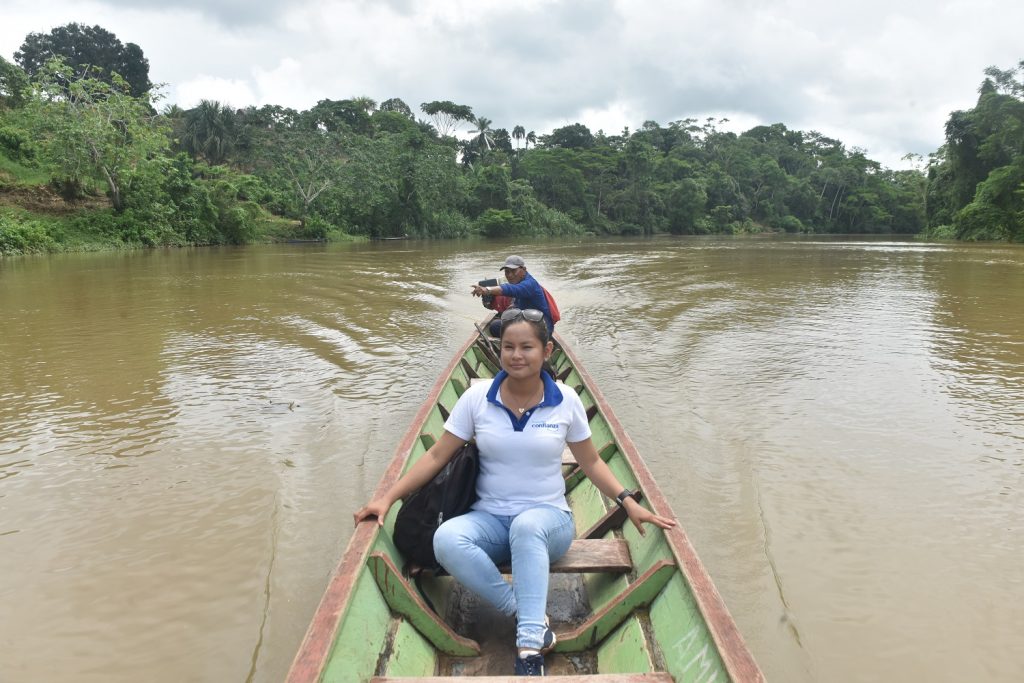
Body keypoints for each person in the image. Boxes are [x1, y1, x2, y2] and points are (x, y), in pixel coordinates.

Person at [354, 308, 675, 676]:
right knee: (447, 539)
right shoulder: (477, 399)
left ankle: (528, 651)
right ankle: (529, 616)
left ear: (547, 351)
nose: (516, 355)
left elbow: (592, 463)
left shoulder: (567, 400)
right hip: (489, 518)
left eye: (526, 347)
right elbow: (437, 454)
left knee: (527, 526)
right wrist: (386, 498)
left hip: (548, 522)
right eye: (508, 347)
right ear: (500, 350)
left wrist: (627, 501)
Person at [472, 255, 554, 337]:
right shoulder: (519, 282)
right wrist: (513, 306)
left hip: (541, 329)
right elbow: (517, 297)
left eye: (513, 271)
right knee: (496, 325)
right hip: (528, 323)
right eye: (507, 272)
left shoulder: (529, 284)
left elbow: (512, 289)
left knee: (495, 326)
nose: (510, 275)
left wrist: (487, 290)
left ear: (524, 269)